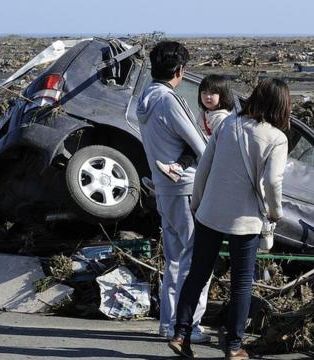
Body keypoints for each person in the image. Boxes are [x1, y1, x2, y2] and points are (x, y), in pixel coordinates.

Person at [168, 78, 290, 360]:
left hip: (210, 212)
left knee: (197, 274)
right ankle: (234, 346)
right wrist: (275, 212)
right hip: (245, 219)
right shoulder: (276, 138)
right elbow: (273, 181)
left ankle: (180, 334)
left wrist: (198, 204)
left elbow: (203, 168)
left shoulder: (228, 124)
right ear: (282, 106)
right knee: (241, 283)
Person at [136, 41, 210, 343]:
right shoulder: (169, 100)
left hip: (164, 188)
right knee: (195, 260)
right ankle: (187, 325)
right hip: (186, 187)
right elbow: (201, 147)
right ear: (179, 70)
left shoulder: (145, 98)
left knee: (174, 260)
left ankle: (168, 323)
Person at [156, 74, 235, 182]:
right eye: (204, 92)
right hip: (201, 149)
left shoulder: (222, 117)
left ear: (223, 95)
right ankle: (162, 177)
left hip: (209, 153)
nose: (207, 96)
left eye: (213, 93)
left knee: (191, 146)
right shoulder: (204, 113)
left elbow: (219, 140)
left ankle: (177, 169)